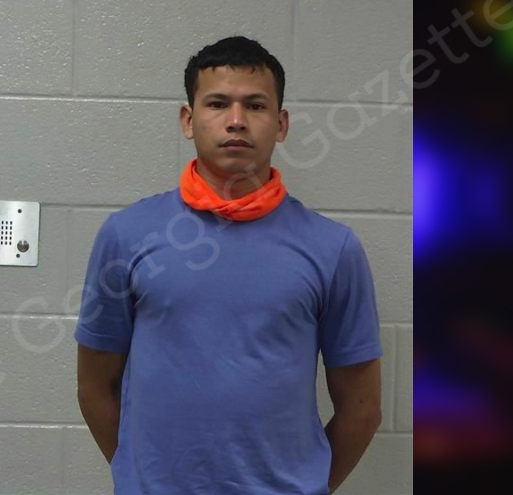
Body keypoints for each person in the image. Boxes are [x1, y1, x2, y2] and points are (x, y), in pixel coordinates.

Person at [74, 36, 383, 495]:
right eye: (217, 103)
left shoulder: (333, 248)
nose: (236, 120)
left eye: (255, 106)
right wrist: (140, 477)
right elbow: (94, 386)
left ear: (281, 124)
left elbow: (362, 408)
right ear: (188, 119)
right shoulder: (127, 235)